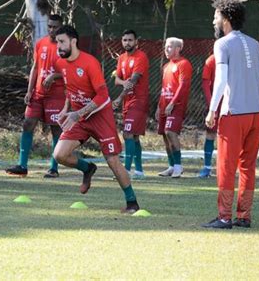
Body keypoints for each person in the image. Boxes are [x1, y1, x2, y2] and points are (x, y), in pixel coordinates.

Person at [52, 25, 140, 213]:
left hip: (100, 116)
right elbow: (70, 89)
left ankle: (132, 202)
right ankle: (87, 168)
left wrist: (78, 113)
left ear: (73, 41)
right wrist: (66, 109)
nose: (58, 46)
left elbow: (102, 96)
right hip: (80, 118)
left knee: (113, 161)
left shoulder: (89, 63)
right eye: (57, 42)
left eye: (61, 42)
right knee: (59, 155)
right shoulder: (61, 64)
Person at [202, 0, 259, 229]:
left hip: (233, 113)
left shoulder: (222, 44)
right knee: (247, 166)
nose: (214, 19)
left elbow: (220, 80)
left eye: (216, 15)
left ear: (226, 19)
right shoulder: (254, 43)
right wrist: (244, 78)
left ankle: (224, 217)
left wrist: (212, 110)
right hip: (255, 113)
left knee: (226, 166)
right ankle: (244, 216)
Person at [6, 14, 65, 178]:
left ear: (62, 27)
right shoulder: (41, 43)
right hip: (38, 93)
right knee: (27, 124)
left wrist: (54, 77)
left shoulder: (66, 46)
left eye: (56, 27)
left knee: (55, 129)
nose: (52, 30)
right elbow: (35, 68)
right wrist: (29, 90)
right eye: (50, 27)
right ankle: (22, 165)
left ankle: (54, 167)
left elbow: (70, 71)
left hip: (56, 95)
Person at [112, 29, 150, 180]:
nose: (127, 43)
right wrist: (123, 82)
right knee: (134, 137)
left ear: (136, 42)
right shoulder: (121, 58)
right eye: (125, 40)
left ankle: (125, 170)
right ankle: (139, 171)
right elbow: (117, 80)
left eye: (130, 40)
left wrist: (119, 99)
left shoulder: (141, 56)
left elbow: (133, 81)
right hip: (128, 101)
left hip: (138, 100)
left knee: (127, 133)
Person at [156, 37, 193, 178]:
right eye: (166, 46)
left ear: (178, 49)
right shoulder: (166, 67)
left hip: (176, 106)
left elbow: (183, 86)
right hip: (164, 106)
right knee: (165, 136)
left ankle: (178, 166)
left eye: (170, 46)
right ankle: (171, 166)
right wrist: (159, 106)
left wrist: (172, 103)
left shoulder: (184, 64)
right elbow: (164, 88)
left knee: (170, 132)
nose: (166, 49)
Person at [197, 53, 217, 178]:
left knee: (229, 136)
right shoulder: (211, 60)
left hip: (231, 103)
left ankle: (228, 166)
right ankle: (207, 167)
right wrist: (212, 105)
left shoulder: (235, 57)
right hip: (215, 104)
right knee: (210, 133)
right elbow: (205, 84)